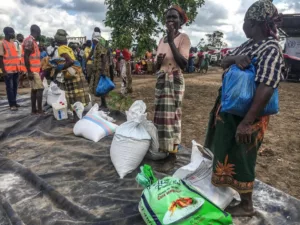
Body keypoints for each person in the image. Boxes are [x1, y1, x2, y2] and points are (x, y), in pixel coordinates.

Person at [204, 0, 284, 217]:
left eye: (245, 20)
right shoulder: (247, 45)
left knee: (243, 155)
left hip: (249, 115)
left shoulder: (271, 48)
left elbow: (267, 86)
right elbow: (223, 61)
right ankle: (228, 191)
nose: (243, 24)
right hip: (229, 111)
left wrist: (247, 122)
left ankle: (247, 205)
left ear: (255, 23)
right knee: (226, 151)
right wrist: (234, 58)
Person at [154, 6, 191, 157]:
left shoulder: (183, 38)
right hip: (162, 80)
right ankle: (162, 147)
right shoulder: (161, 40)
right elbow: (155, 67)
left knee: (173, 116)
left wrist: (171, 42)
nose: (170, 20)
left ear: (181, 21)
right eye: (168, 17)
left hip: (174, 80)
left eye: (174, 17)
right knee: (160, 116)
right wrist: (159, 61)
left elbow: (183, 64)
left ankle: (173, 152)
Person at [54, 29, 90, 113]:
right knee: (78, 96)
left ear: (57, 41)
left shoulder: (61, 49)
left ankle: (76, 117)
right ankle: (78, 115)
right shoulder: (68, 48)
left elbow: (70, 61)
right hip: (77, 72)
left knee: (73, 96)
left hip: (71, 75)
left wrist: (61, 68)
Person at [23, 25, 44, 115]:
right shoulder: (30, 40)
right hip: (32, 70)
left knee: (34, 89)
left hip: (35, 69)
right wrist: (29, 71)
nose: (40, 34)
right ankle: (39, 110)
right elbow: (26, 56)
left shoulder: (33, 41)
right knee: (40, 89)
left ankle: (34, 110)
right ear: (36, 31)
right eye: (39, 32)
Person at [0, 27, 20, 111]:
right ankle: (12, 104)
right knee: (10, 88)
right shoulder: (1, 43)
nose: (13, 34)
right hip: (8, 70)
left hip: (15, 69)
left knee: (15, 87)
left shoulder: (12, 43)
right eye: (12, 32)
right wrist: (4, 71)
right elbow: (0, 58)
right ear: (7, 33)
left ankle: (14, 102)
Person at [89, 33, 109, 109]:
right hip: (98, 69)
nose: (92, 41)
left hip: (100, 69)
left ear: (95, 39)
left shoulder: (100, 46)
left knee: (101, 86)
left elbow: (104, 58)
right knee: (99, 86)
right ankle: (103, 103)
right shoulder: (97, 46)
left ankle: (104, 104)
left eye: (93, 40)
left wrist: (103, 70)